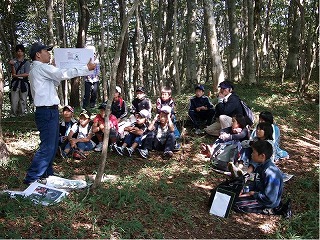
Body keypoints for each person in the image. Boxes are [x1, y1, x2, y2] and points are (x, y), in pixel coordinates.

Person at [23, 42, 96, 185]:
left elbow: (54, 82)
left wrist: (54, 69)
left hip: (49, 111)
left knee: (52, 143)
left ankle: (46, 173)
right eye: (46, 51)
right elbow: (63, 74)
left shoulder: (38, 70)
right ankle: (32, 178)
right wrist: (86, 68)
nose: (49, 53)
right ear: (38, 54)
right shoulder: (40, 68)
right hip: (46, 111)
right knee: (48, 146)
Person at [233, 140, 284, 214]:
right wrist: (244, 189)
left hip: (266, 202)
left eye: (253, 152)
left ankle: (268, 210)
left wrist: (253, 194)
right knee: (231, 195)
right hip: (258, 194)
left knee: (234, 203)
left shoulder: (271, 173)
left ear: (262, 156)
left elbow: (270, 198)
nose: (251, 154)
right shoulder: (260, 166)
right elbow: (254, 181)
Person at [8, 44, 31, 116]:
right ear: (16, 52)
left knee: (23, 99)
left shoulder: (27, 62)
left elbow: (27, 73)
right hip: (15, 83)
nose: (19, 53)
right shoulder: (13, 62)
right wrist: (12, 65)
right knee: (14, 100)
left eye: (21, 51)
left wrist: (17, 75)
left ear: (23, 52)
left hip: (24, 83)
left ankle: (22, 113)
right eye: (18, 51)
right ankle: (13, 114)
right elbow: (12, 73)